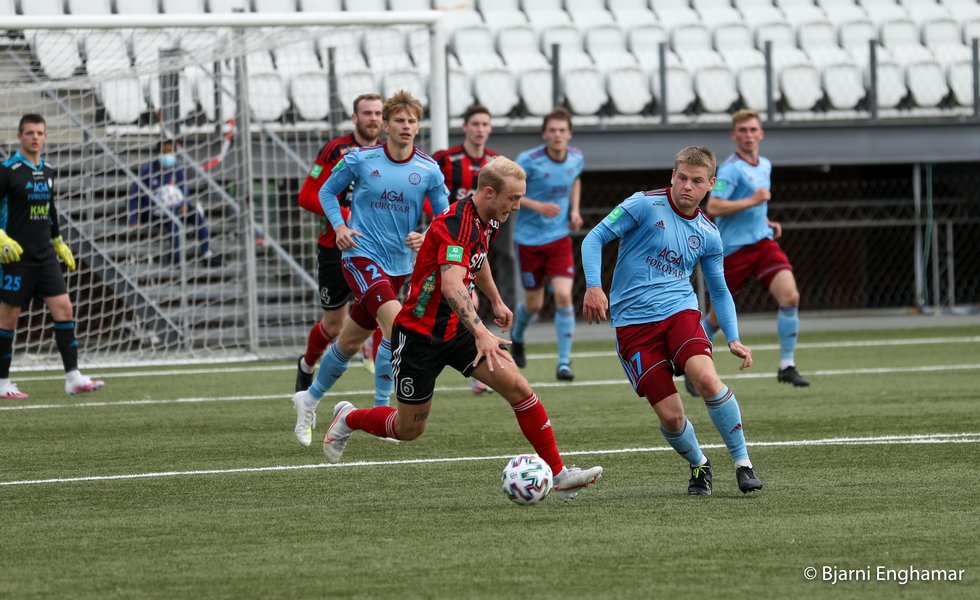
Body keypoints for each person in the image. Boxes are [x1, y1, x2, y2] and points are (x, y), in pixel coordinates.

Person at [318, 157, 603, 502]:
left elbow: (477, 261)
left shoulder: (490, 218)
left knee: (518, 387)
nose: (517, 206)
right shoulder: (456, 225)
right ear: (489, 192)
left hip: (457, 330)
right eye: (513, 198)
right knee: (409, 428)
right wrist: (482, 331)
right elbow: (452, 285)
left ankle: (559, 475)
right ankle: (350, 417)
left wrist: (495, 300)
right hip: (420, 336)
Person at [581, 146, 762, 496]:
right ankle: (700, 464)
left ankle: (743, 463)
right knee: (671, 416)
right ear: (673, 176)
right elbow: (594, 238)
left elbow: (719, 290)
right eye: (682, 178)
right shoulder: (643, 204)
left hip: (679, 313)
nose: (687, 186)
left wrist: (734, 338)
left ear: (710, 184)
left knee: (706, 378)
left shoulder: (708, 233)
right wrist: (593, 285)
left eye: (697, 181)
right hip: (633, 326)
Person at [290, 90, 449, 446]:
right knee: (396, 324)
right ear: (386, 126)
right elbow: (325, 192)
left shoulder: (428, 169)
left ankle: (309, 398)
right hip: (360, 256)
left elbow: (445, 214)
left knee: (348, 341)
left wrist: (427, 235)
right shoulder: (360, 159)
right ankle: (382, 408)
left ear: (417, 127)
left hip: (400, 264)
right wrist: (340, 227)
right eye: (399, 120)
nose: (406, 126)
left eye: (412, 121)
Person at [694, 109, 808, 393]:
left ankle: (787, 365)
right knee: (716, 318)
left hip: (762, 243)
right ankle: (691, 364)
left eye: (753, 129)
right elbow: (714, 206)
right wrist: (752, 201)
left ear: (761, 134)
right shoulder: (730, 169)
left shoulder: (765, 165)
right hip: (734, 250)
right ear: (734, 135)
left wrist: (765, 220)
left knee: (790, 296)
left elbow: (756, 206)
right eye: (743, 130)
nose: (748, 135)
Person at [0, 114, 105, 399]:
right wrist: (1, 237)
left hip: (45, 255)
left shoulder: (48, 169)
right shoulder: (7, 171)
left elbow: (50, 208)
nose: (35, 137)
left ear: (46, 137)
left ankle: (73, 378)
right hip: (16, 257)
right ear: (19, 136)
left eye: (39, 133)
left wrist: (58, 240)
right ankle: (2, 382)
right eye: (29, 132)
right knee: (8, 319)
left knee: (64, 309)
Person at [294, 93, 383, 393]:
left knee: (385, 312)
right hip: (335, 247)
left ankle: (384, 394)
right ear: (355, 117)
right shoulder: (336, 149)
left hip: (374, 247)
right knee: (333, 326)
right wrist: (345, 217)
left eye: (378, 113)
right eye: (367, 113)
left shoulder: (389, 153)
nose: (373, 118)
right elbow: (307, 196)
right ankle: (307, 364)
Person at [432, 103, 505, 395]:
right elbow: (429, 190)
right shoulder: (446, 159)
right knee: (459, 298)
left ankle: (475, 365)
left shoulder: (496, 164)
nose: (480, 129)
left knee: (467, 297)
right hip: (444, 240)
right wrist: (435, 221)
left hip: (475, 243)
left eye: (485, 124)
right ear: (465, 127)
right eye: (475, 123)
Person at [509, 107, 584, 381]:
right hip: (529, 240)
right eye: (552, 130)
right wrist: (538, 206)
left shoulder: (576, 158)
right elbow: (510, 192)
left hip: (558, 238)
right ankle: (517, 335)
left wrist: (574, 211)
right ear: (544, 134)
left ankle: (564, 363)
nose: (557, 135)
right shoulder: (527, 160)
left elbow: (575, 180)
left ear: (569, 134)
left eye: (562, 130)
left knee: (564, 295)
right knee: (534, 305)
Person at [127, 140, 217, 267]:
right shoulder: (147, 170)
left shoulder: (177, 169)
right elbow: (133, 194)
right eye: (164, 152)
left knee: (196, 213)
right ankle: (176, 258)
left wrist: (184, 203)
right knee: (173, 216)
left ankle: (207, 254)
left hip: (175, 208)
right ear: (158, 153)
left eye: (170, 152)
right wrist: (133, 217)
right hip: (152, 212)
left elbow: (183, 190)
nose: (167, 155)